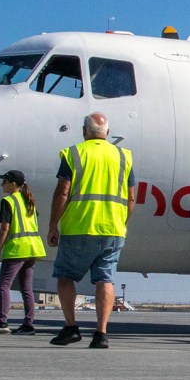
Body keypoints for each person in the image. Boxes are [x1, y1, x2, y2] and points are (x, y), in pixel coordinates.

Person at [47, 111, 133, 349]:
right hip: (112, 229)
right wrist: (122, 223)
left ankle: (71, 327)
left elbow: (63, 191)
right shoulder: (123, 156)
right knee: (105, 279)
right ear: (106, 133)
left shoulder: (74, 153)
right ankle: (101, 333)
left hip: (79, 226)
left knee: (65, 277)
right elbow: (132, 197)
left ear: (85, 132)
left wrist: (53, 224)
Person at [0, 169, 47, 335]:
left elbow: (4, 229)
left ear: (13, 184)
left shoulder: (8, 201)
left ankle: (2, 322)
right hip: (33, 248)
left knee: (3, 286)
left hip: (17, 249)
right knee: (26, 289)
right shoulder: (30, 201)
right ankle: (28, 325)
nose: (2, 185)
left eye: (4, 182)